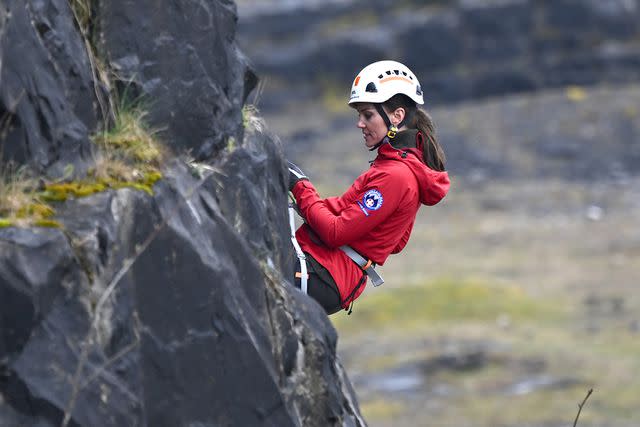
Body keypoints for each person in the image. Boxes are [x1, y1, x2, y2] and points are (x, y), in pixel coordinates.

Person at [288, 60, 450, 315]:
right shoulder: (393, 168)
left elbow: (335, 232)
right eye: (359, 116)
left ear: (397, 116)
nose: (360, 124)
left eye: (368, 115)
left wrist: (300, 186)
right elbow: (393, 241)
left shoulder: (396, 176)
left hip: (322, 275)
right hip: (325, 272)